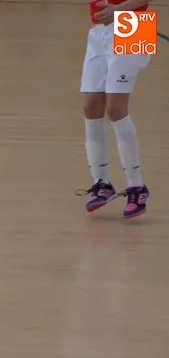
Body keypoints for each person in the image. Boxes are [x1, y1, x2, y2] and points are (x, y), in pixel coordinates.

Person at [80, 0, 153, 218]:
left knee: (115, 108)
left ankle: (137, 187)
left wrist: (119, 11)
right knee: (91, 106)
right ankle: (101, 183)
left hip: (133, 26)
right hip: (99, 31)